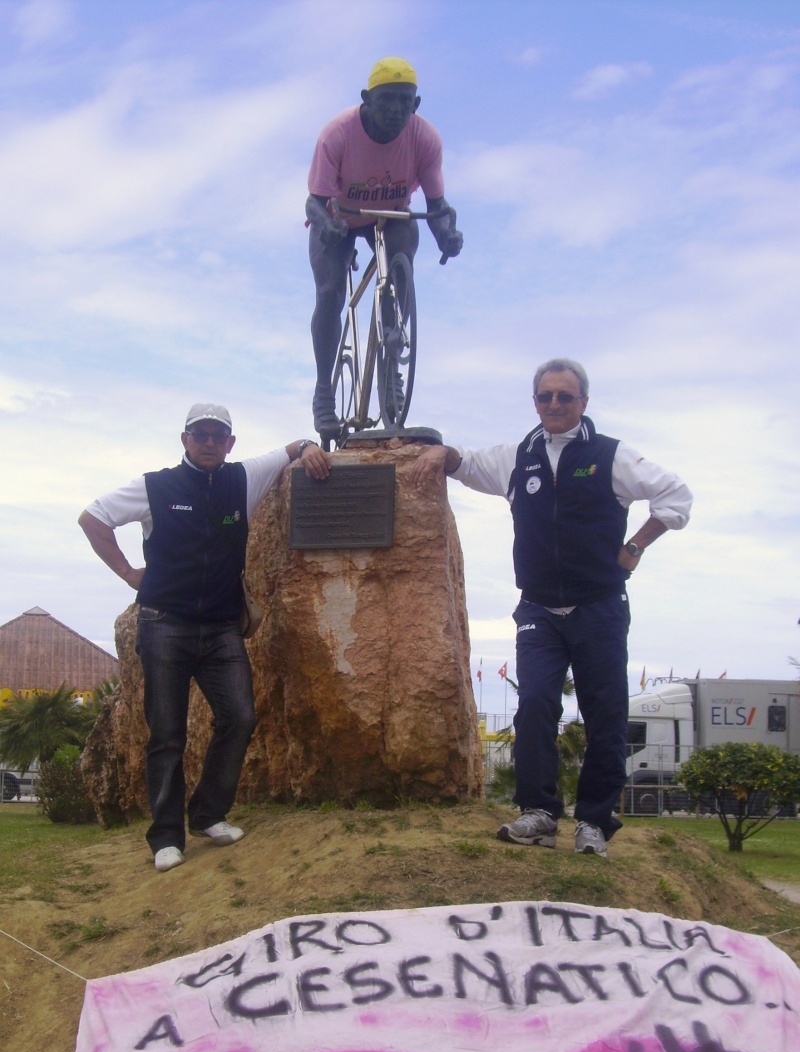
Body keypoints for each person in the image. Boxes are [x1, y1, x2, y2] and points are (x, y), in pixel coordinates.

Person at [413, 359, 692, 858]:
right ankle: (538, 813)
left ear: (584, 402)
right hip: (538, 611)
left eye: (566, 396)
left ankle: (594, 822)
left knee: (604, 716)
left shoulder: (611, 456)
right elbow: (468, 463)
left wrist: (635, 547)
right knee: (535, 705)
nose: (555, 405)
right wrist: (441, 452)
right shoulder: (521, 457)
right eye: (546, 397)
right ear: (535, 402)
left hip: (599, 607)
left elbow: (675, 497)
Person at [79, 404, 331, 872]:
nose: (210, 443)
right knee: (167, 736)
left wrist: (311, 447)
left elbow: (291, 448)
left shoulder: (242, 478)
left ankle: (209, 814)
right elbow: (93, 517)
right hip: (163, 624)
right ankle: (166, 837)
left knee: (239, 718)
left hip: (220, 629)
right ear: (185, 439)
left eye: (219, 435)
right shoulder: (156, 486)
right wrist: (129, 573)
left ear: (231, 443)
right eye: (201, 435)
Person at [306, 56, 463, 437]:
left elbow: (437, 207)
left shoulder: (424, 139)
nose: (395, 110)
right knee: (330, 293)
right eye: (387, 100)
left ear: (416, 104)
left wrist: (447, 234)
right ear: (366, 100)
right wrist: (328, 226)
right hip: (339, 216)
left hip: (391, 216)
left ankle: (391, 357)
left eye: (404, 102)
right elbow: (314, 200)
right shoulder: (337, 134)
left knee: (403, 255)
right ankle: (324, 390)